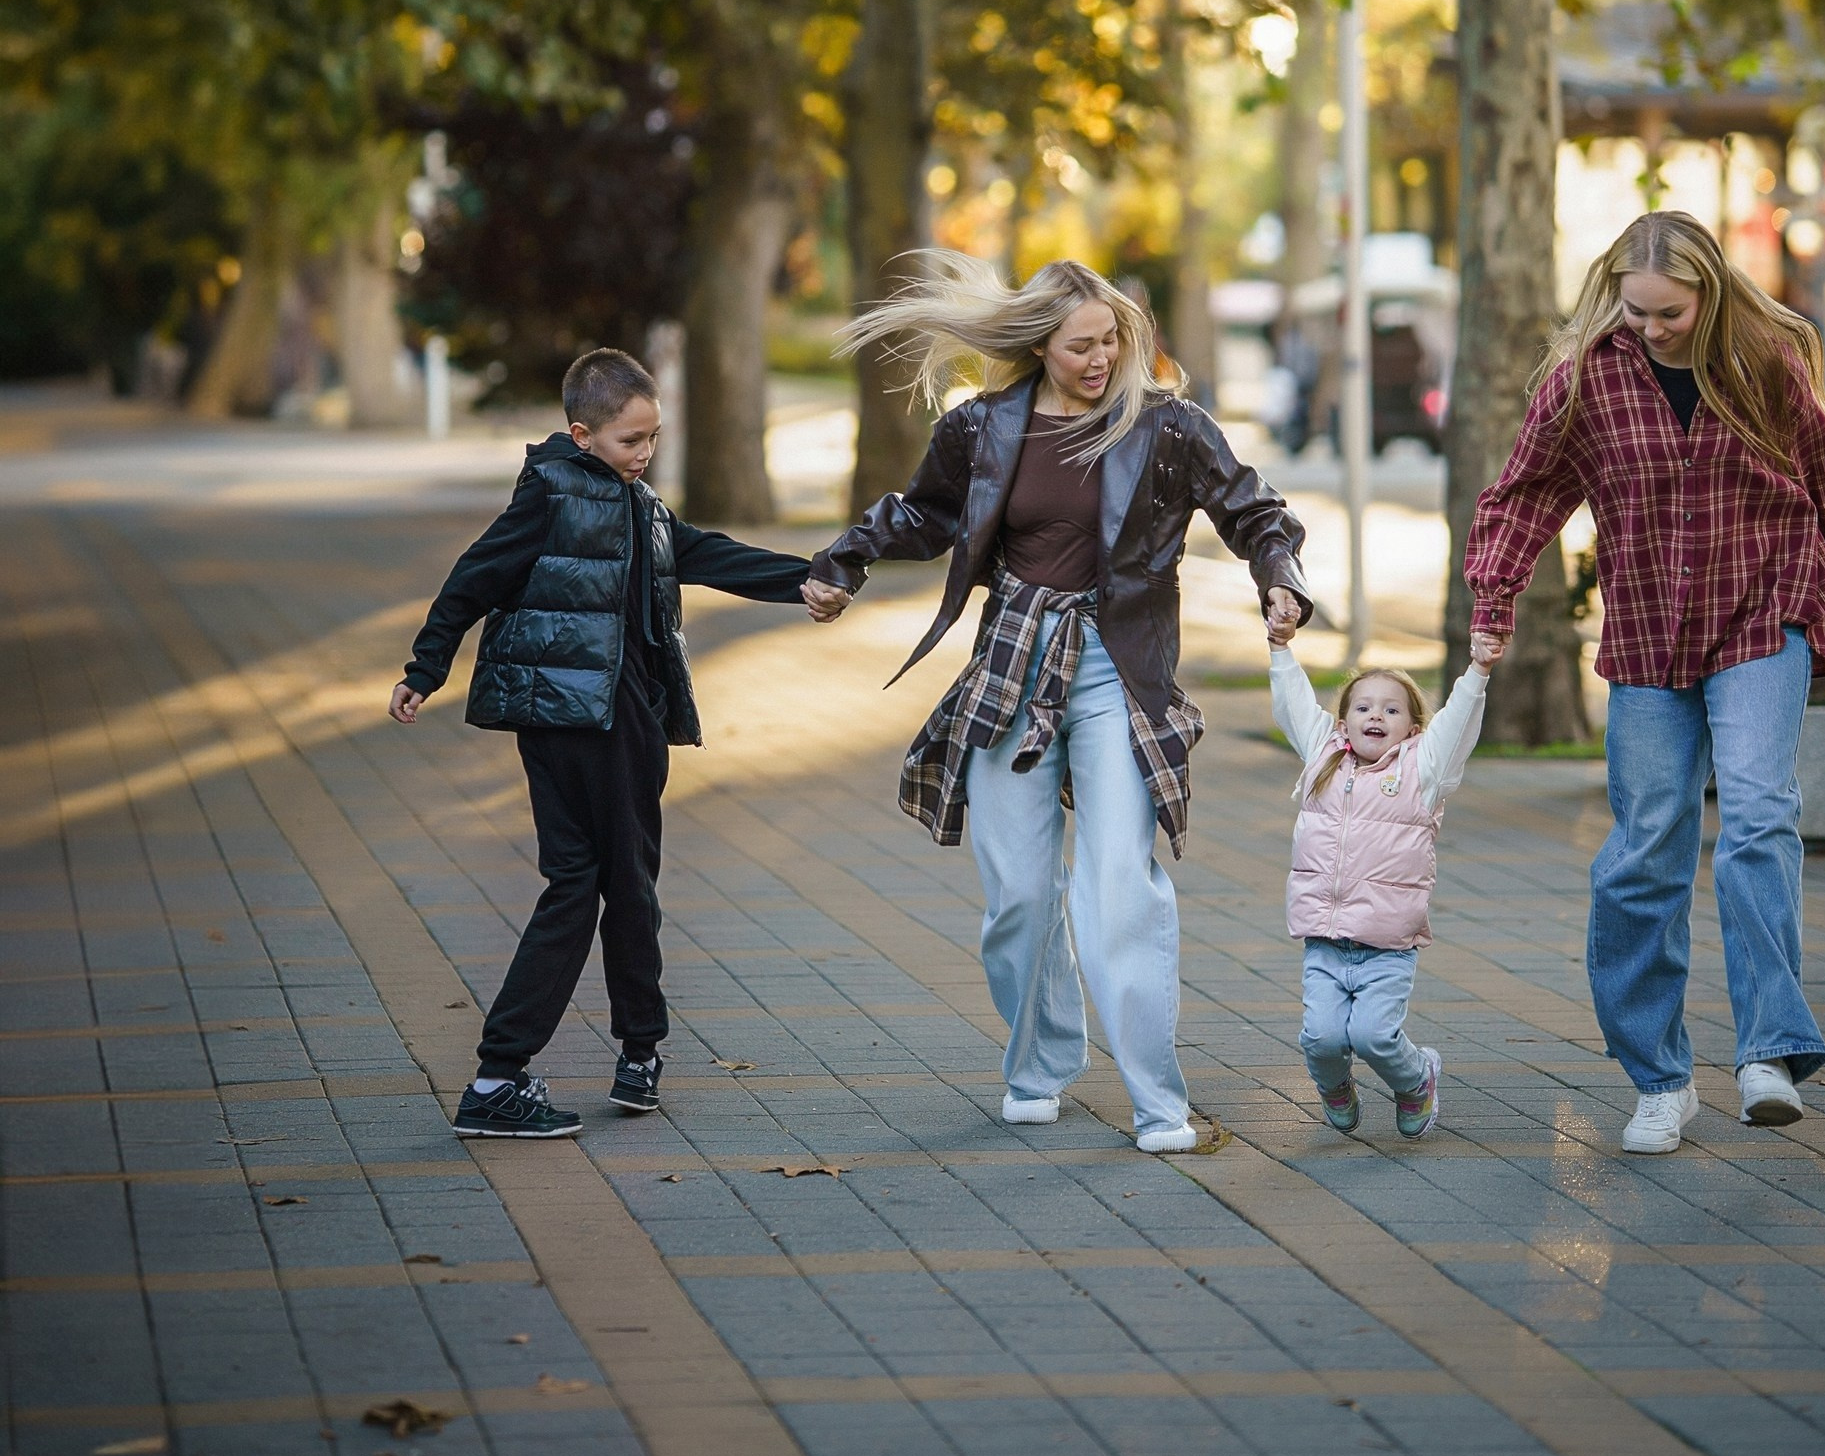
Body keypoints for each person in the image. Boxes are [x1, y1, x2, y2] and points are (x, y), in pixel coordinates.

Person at [802, 253, 1314, 1153]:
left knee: (1120, 887)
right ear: (1040, 344)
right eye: (1081, 345)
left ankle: (1158, 1099)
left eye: (1112, 340)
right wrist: (846, 557)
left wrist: (1280, 578)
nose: (1101, 359)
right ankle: (1038, 1062)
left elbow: (1256, 512)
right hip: (1014, 664)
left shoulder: (1167, 427)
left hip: (1120, 667)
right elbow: (925, 515)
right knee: (1019, 899)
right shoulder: (985, 428)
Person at [1465, 210, 1825, 1157]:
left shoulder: (1764, 366)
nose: (1651, 327)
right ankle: (1659, 1077)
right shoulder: (1587, 383)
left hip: (1762, 610)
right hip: (1650, 628)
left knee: (1760, 814)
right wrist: (1494, 600)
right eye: (1636, 309)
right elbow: (1526, 493)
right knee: (1648, 844)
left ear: (1711, 292)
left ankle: (1769, 1052)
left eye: (1670, 312)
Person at [390, 347, 813, 1138]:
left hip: (585, 717)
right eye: (630, 441)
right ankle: (605, 1057)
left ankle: (528, 1071)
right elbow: (473, 578)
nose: (644, 454)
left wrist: (810, 576)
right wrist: (426, 665)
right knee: (619, 882)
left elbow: (707, 554)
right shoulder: (553, 494)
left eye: (652, 439)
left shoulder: (637, 502)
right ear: (581, 433)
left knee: (586, 882)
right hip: (594, 719)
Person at [1269, 646, 1492, 1138]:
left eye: (1392, 709)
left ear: (1412, 728)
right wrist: (1279, 647)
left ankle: (1416, 1082)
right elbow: (1293, 702)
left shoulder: (1423, 771)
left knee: (1373, 1036)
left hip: (1388, 945)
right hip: (1325, 941)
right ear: (1342, 721)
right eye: (1363, 707)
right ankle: (1334, 1087)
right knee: (1322, 1038)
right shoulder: (1322, 755)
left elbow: (1456, 727)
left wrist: (1478, 671)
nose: (1376, 715)